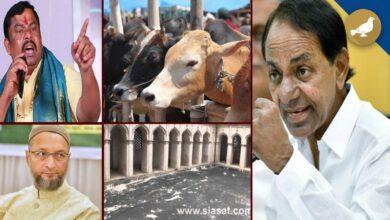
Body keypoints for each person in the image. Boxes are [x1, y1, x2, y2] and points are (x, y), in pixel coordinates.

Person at [253, 0, 390, 219]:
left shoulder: (383, 146)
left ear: (339, 68)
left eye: (302, 71)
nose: (286, 94)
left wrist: (287, 164)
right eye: (275, 74)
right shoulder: (276, 142)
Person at [0, 1, 100, 122]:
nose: (28, 35)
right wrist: (6, 97)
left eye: (33, 28)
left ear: (40, 35)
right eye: (20, 30)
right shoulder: (4, 88)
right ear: (8, 46)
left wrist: (86, 70)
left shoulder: (64, 76)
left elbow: (89, 117)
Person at [0, 125, 100, 219]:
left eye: (60, 155)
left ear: (68, 159)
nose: (51, 165)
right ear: (28, 158)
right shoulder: (7, 204)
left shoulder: (85, 212)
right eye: (41, 154)